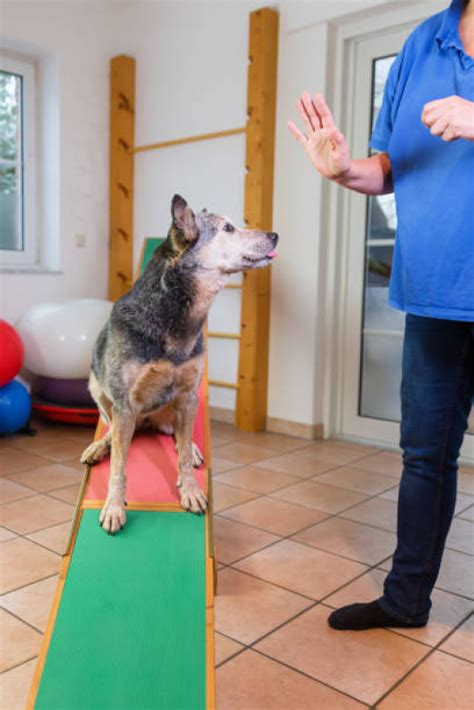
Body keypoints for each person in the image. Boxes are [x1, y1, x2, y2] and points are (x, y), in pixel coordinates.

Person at [288, 0, 474, 631]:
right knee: (425, 456)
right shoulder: (423, 43)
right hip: (435, 289)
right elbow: (390, 168)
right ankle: (405, 602)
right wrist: (344, 170)